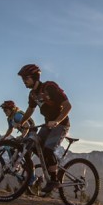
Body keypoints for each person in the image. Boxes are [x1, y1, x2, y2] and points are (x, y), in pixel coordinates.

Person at [17, 64, 71, 194]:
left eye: (26, 78)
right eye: (23, 78)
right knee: (33, 146)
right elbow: (30, 109)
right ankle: (47, 166)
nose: (24, 81)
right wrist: (22, 122)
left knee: (47, 150)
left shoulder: (50, 87)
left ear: (35, 77)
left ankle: (53, 180)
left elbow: (67, 106)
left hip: (61, 124)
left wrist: (57, 121)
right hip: (47, 125)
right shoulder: (32, 94)